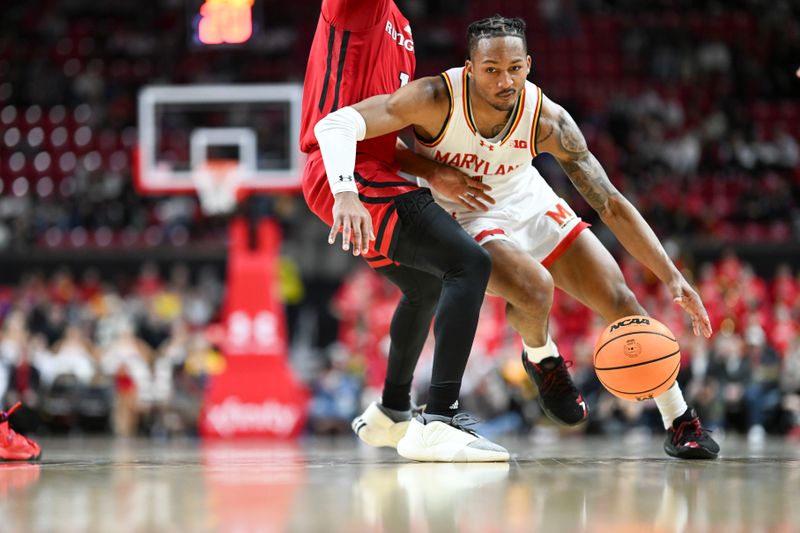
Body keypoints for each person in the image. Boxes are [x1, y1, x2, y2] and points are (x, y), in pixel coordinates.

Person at [314, 15, 720, 459]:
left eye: (514, 69)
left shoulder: (549, 121)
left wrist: (671, 276)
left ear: (528, 64)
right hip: (464, 209)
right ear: (470, 69)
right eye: (491, 70)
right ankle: (542, 356)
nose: (504, 80)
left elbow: (610, 203)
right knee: (534, 288)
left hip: (526, 197)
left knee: (623, 303)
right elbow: (345, 128)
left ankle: (680, 420)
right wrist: (402, 177)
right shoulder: (434, 98)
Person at [300, 0, 508, 462]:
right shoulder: (359, 9)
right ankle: (440, 419)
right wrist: (344, 191)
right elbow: (338, 130)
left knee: (427, 283)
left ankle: (392, 412)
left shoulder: (404, 31)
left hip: (373, 170)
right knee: (469, 263)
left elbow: (383, 135)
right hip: (344, 173)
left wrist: (431, 171)